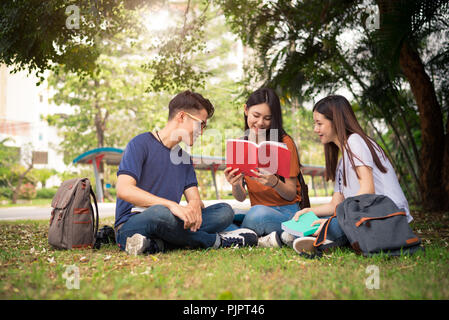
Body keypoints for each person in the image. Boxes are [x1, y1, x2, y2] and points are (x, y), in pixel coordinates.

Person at [114, 90, 258, 255]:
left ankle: (157, 244)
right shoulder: (140, 144)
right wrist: (172, 205)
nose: (202, 131)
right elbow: (124, 190)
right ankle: (216, 241)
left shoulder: (184, 158)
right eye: (201, 124)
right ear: (181, 117)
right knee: (161, 213)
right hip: (132, 224)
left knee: (224, 212)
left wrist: (194, 206)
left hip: (169, 222)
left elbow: (195, 200)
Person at [291, 95, 412, 255]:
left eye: (319, 123)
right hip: (367, 217)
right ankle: (321, 237)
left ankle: (322, 238)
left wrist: (335, 220)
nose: (315, 129)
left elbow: (367, 190)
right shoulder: (342, 161)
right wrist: (310, 211)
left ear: (336, 121)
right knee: (317, 223)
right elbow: (336, 204)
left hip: (388, 218)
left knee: (333, 224)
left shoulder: (355, 141)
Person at [223, 87, 303, 248]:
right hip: (258, 210)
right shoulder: (241, 144)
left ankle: (246, 235)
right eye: (256, 116)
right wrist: (235, 184)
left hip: (286, 212)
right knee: (224, 216)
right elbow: (240, 198)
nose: (260, 123)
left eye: (267, 118)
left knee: (256, 214)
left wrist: (274, 182)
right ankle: (267, 239)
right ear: (246, 110)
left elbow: (291, 194)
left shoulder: (284, 142)